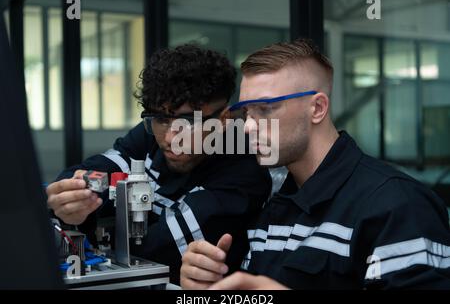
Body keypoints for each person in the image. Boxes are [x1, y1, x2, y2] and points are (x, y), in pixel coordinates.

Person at [180, 39, 450, 289]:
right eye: (247, 112)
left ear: (318, 108)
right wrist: (211, 285)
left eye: (264, 109)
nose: (248, 126)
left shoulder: (397, 205)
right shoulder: (275, 205)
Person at [46, 44, 271, 284]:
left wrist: (91, 219)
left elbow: (152, 251)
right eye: (162, 119)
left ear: (224, 119)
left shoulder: (244, 172)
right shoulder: (153, 132)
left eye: (188, 122)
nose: (171, 138)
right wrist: (71, 196)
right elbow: (91, 171)